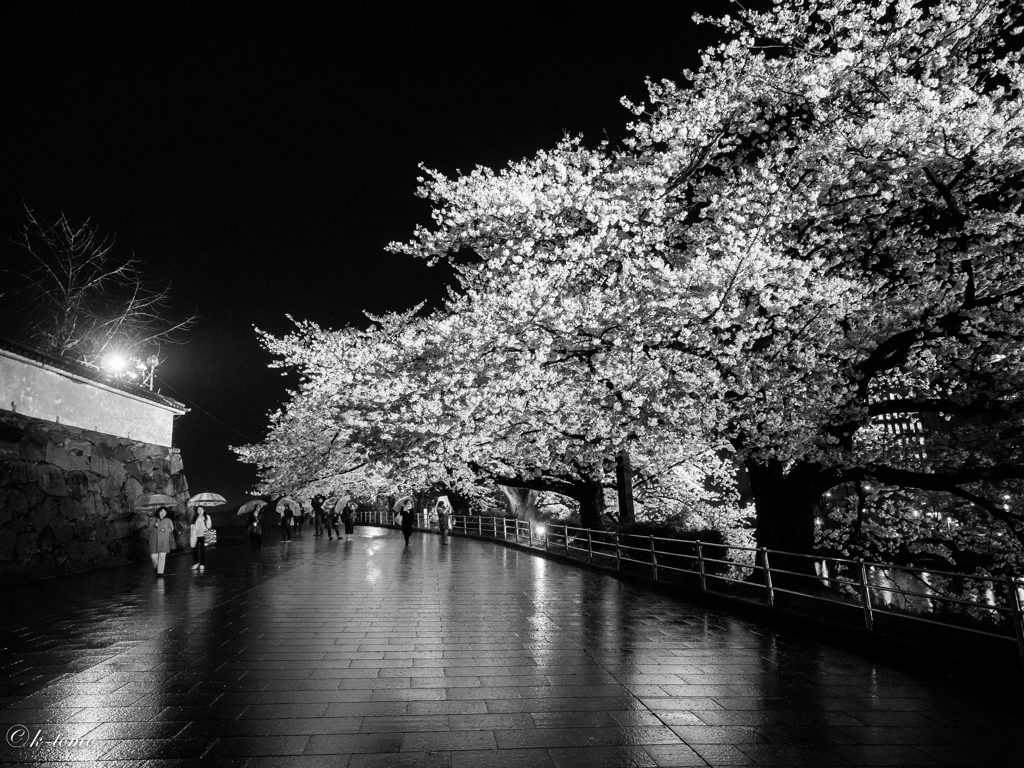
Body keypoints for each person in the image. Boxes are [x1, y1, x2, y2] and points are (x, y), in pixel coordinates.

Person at [149, 507, 174, 576]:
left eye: (164, 512)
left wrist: (165, 529)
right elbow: (149, 529)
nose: (163, 513)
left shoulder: (168, 520)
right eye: (161, 511)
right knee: (153, 556)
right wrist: (154, 525)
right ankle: (157, 567)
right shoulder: (154, 519)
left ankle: (160, 573)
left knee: (162, 557)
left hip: (164, 540)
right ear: (158, 512)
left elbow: (171, 528)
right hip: (154, 540)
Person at [190, 506, 211, 571]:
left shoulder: (207, 517)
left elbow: (209, 525)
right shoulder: (194, 517)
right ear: (197, 511)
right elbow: (192, 526)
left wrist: (203, 523)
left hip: (204, 536)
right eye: (198, 510)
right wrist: (191, 533)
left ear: (203, 510)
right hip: (195, 536)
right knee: (194, 550)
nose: (200, 511)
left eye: (201, 509)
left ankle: (202, 564)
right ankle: (196, 563)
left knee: (202, 551)